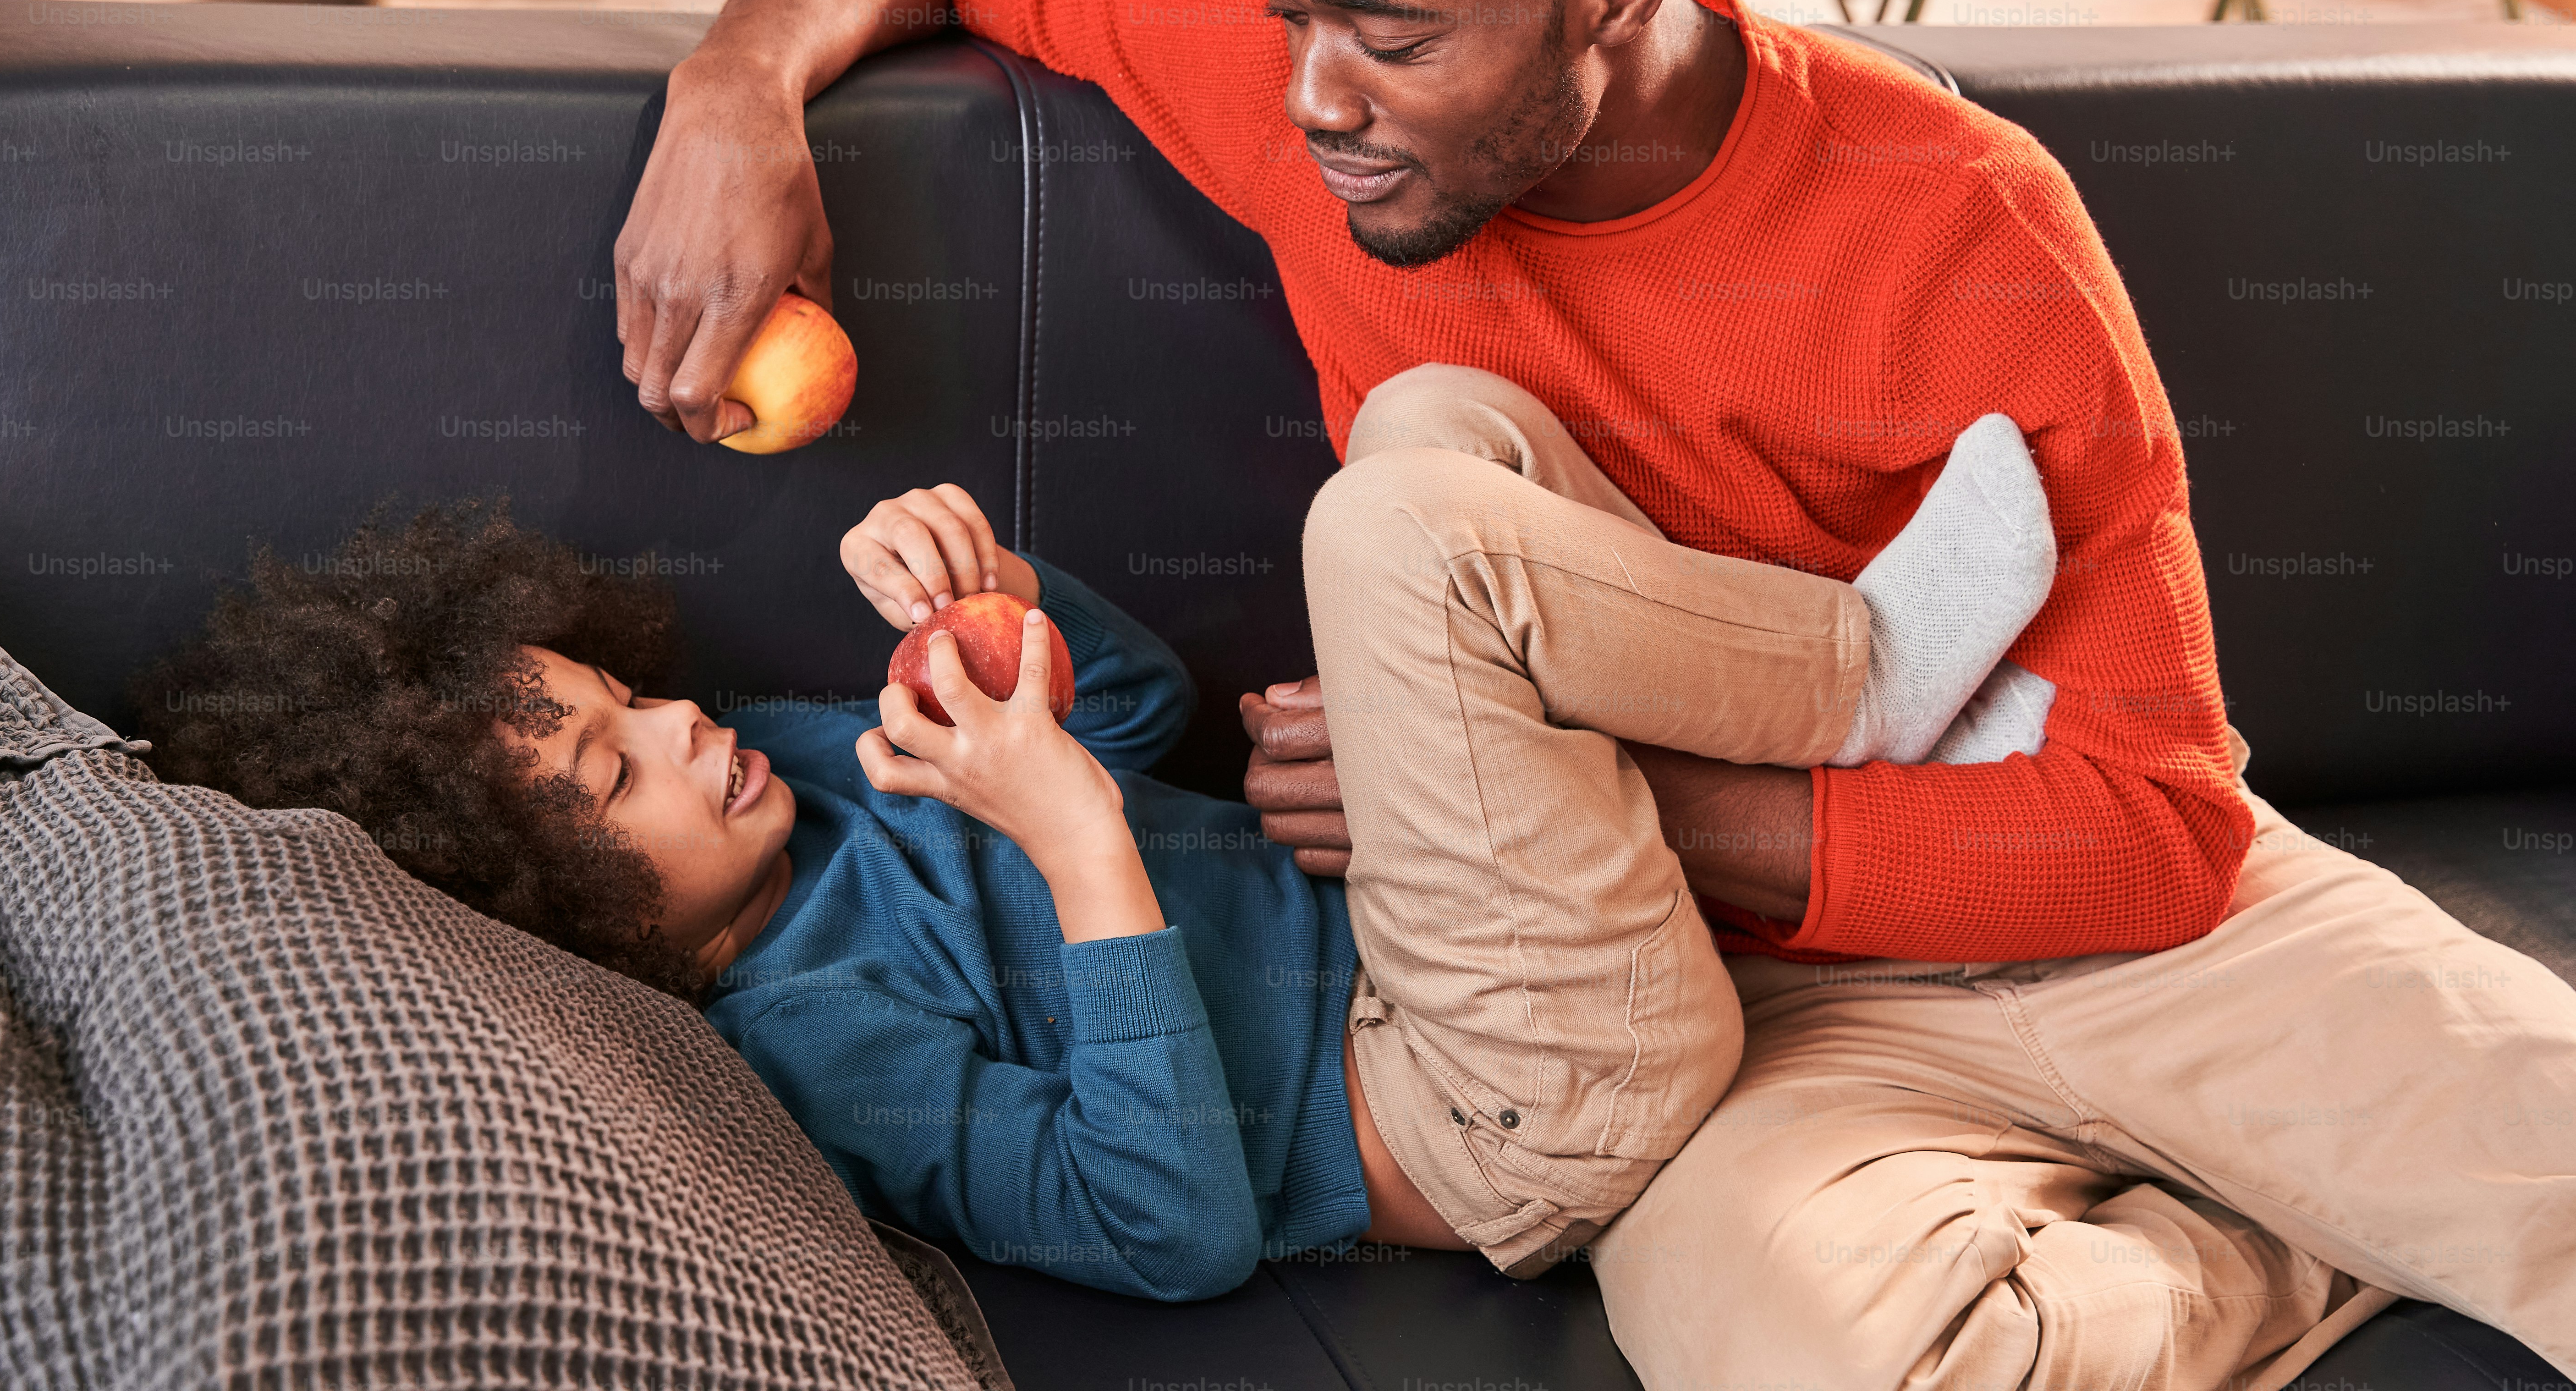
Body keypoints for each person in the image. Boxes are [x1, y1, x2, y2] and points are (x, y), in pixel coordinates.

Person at [608, 0, 2576, 1391]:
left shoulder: (1959, 223)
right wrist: (737, 90)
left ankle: (2333, 1173)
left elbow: (2148, 836)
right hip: (1719, 1016)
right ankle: (2265, 1248)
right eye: (1293, 8)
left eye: (1389, 37)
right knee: (1797, 1350)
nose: (1311, 97)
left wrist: (1511, 791)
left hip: (2101, 916)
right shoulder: (1320, 63)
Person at [136, 429, 2053, 1303]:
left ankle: (1849, 725)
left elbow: (1133, 724)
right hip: (1497, 1101)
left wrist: (1011, 612)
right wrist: (1070, 843)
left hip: (1434, 927)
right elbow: (1171, 1230)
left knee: (1437, 430)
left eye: (626, 690)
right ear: (562, 911)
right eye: (609, 764)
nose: (683, 727)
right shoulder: (817, 1042)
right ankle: (1860, 693)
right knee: (1405, 537)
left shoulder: (787, 771)